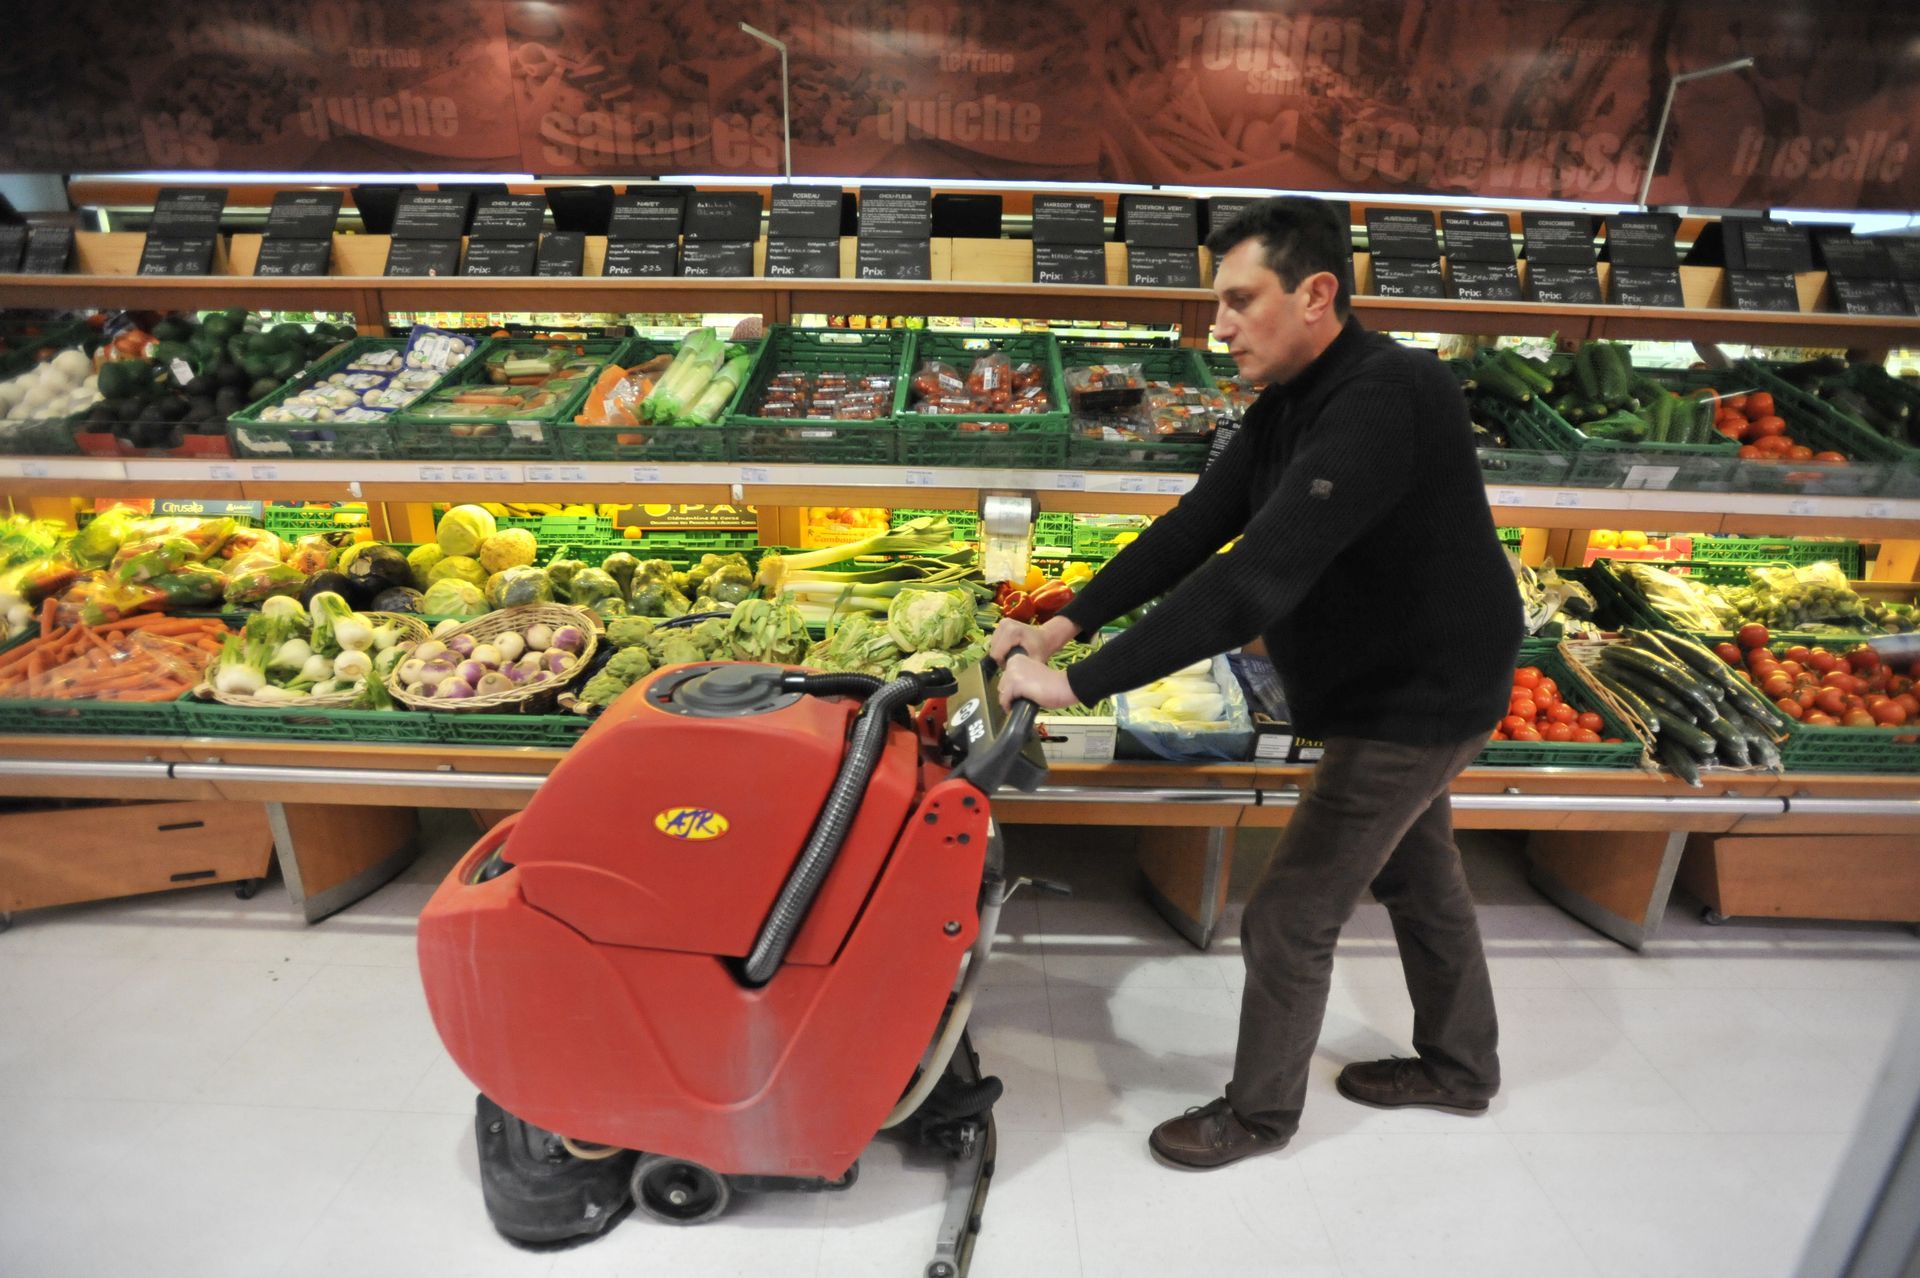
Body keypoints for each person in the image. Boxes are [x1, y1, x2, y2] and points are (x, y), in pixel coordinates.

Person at [989, 195, 1522, 1170]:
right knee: (1418, 870)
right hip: (1396, 674)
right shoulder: (1292, 401)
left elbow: (1252, 578)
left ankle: (1260, 1115)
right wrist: (1068, 619)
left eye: (1241, 300)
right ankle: (1461, 1066)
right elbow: (1199, 525)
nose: (1219, 325)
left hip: (1415, 695)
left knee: (1290, 912)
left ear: (1316, 294)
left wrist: (1082, 682)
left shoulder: (1385, 397)